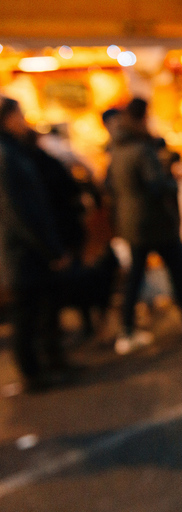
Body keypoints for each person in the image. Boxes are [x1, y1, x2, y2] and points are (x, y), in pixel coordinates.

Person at [105, 98, 182, 355]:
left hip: (131, 222)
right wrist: (173, 178)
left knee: (135, 276)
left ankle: (127, 331)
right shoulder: (142, 149)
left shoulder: (117, 148)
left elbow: (111, 186)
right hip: (153, 221)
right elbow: (156, 185)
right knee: (176, 269)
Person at [0, 97, 74, 391]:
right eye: (20, 115)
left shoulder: (16, 150)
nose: (24, 120)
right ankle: (32, 373)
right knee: (26, 313)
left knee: (42, 307)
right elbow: (17, 210)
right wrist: (49, 248)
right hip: (21, 250)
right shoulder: (6, 154)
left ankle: (48, 362)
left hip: (28, 248)